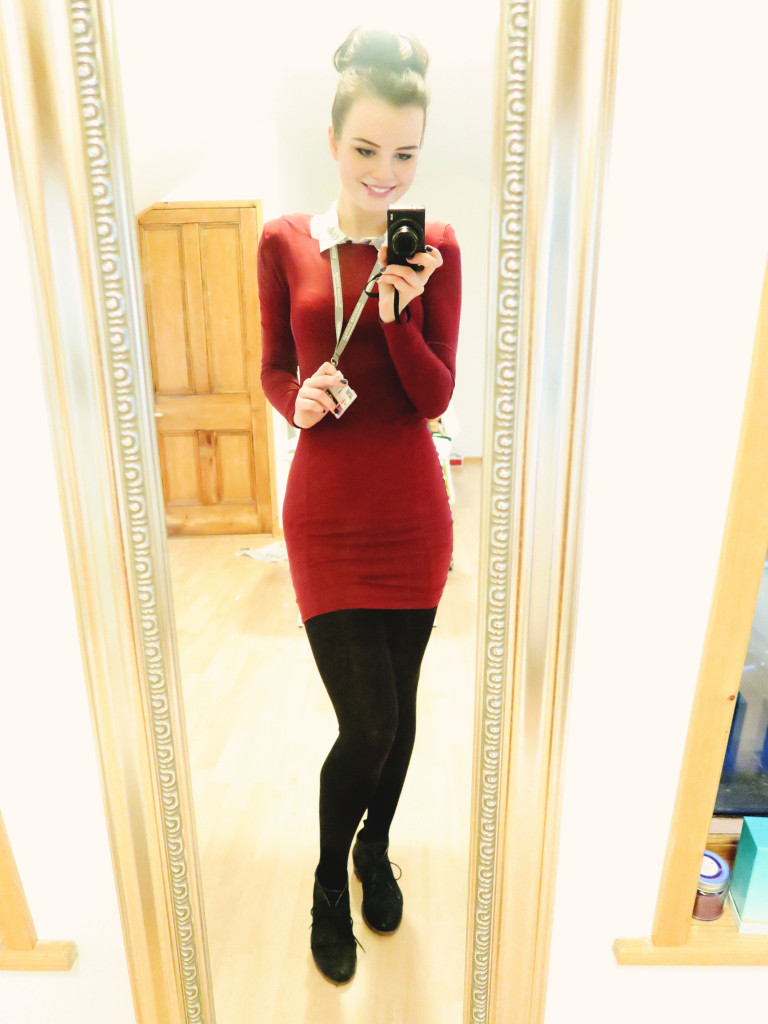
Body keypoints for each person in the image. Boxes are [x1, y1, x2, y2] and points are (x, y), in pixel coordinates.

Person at [257, 26, 462, 985]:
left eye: (406, 155)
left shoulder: (437, 247)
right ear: (333, 140)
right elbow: (273, 365)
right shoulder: (283, 241)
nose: (386, 173)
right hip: (327, 514)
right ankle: (327, 883)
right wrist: (293, 400)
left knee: (402, 711)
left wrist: (400, 314)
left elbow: (434, 395)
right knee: (368, 722)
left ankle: (375, 847)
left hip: (414, 511)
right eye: (368, 149)